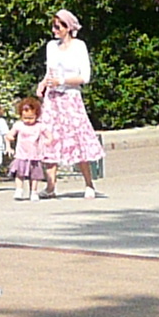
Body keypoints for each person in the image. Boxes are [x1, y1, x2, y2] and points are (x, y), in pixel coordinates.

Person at [23, 10, 106, 198]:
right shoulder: (51, 47)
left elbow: (85, 76)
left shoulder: (79, 46)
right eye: (53, 26)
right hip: (53, 99)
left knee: (77, 137)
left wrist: (62, 81)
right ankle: (51, 186)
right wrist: (43, 84)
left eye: (57, 26)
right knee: (50, 137)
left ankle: (88, 183)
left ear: (68, 28)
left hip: (70, 97)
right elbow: (49, 71)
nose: (54, 30)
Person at [4, 96, 46, 201]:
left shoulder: (40, 126)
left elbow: (49, 136)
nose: (28, 121)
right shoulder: (19, 125)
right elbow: (9, 135)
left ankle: (34, 192)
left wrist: (47, 143)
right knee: (19, 173)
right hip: (21, 154)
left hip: (35, 155)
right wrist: (10, 139)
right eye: (25, 118)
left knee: (35, 176)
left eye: (31, 118)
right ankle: (19, 189)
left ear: (37, 115)